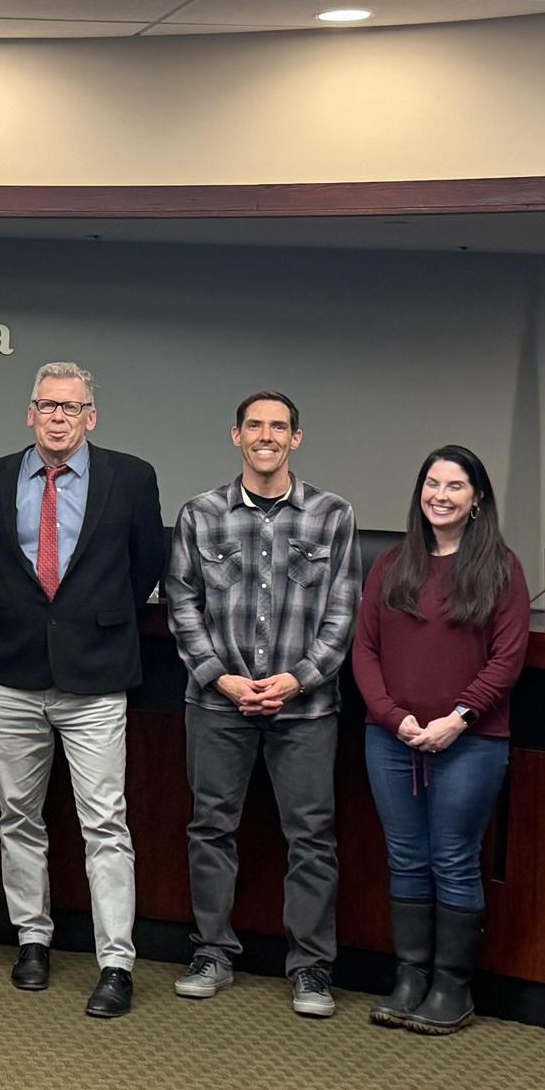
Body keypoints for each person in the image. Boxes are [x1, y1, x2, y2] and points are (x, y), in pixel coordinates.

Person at [0, 362, 165, 1019]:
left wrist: (93, 618)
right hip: (15, 673)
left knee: (105, 822)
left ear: (91, 416)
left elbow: (145, 566)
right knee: (18, 814)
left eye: (71, 407)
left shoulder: (130, 478)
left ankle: (116, 963)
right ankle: (33, 939)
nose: (58, 417)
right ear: (31, 413)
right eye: (47, 406)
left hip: (96, 675)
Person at [164, 392, 360, 1019]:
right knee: (211, 826)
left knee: (311, 836)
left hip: (305, 708)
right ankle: (212, 953)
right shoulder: (201, 514)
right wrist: (221, 677)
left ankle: (310, 968)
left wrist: (297, 679)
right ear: (236, 435)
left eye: (279, 427)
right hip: (216, 703)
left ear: (296, 439)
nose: (266, 436)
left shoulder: (332, 515)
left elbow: (342, 611)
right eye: (255, 426)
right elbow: (182, 603)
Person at [352, 445, 528, 1035]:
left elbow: (507, 660)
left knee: (454, 860)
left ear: (477, 499)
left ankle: (452, 989)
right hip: (391, 738)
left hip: (471, 742)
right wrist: (391, 716)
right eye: (432, 483)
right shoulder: (392, 564)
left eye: (456, 486)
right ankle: (410, 979)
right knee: (405, 857)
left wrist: (459, 717)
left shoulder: (500, 567)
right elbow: (365, 650)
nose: (441, 495)